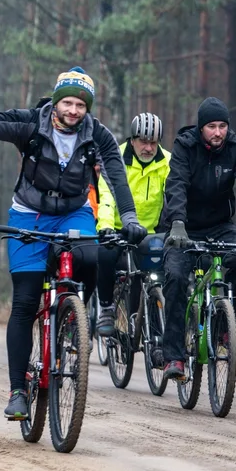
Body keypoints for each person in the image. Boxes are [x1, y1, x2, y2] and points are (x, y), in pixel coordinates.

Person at [0, 54, 146, 419]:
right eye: (67, 102)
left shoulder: (98, 135)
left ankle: (75, 322)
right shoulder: (31, 123)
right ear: (56, 101)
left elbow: (116, 175)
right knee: (25, 302)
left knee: (91, 256)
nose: (74, 110)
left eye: (80, 104)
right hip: (29, 214)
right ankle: (17, 392)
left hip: (73, 213)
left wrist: (129, 217)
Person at [159, 97, 236, 380]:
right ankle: (173, 355)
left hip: (220, 225)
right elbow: (177, 185)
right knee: (174, 276)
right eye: (211, 126)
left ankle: (224, 327)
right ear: (201, 128)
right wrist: (178, 223)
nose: (218, 132)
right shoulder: (185, 146)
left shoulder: (235, 147)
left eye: (222, 126)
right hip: (184, 227)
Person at [95, 112, 171, 337]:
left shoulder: (167, 161)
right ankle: (107, 308)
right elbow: (106, 194)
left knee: (155, 278)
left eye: (153, 143)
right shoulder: (116, 156)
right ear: (133, 139)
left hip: (150, 232)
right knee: (105, 255)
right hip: (118, 229)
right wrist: (106, 228)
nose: (148, 148)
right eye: (143, 142)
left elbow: (175, 197)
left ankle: (156, 338)